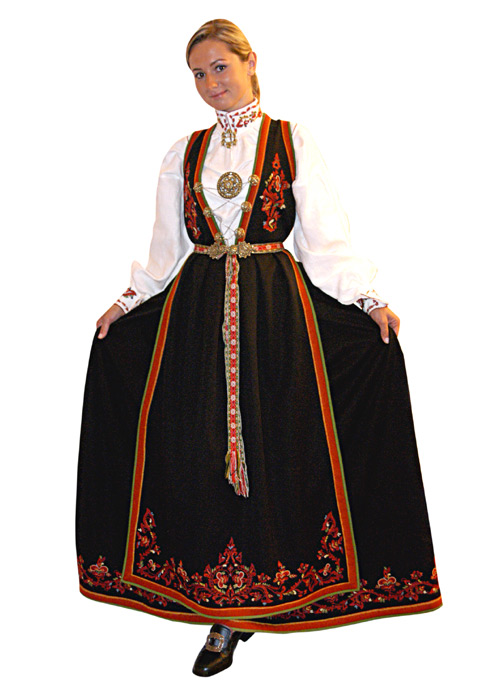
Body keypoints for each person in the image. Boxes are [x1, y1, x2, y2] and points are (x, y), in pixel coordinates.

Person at [76, 19, 442, 678]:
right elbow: (164, 250)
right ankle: (220, 609)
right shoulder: (183, 153)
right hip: (195, 318)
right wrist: (127, 304)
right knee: (199, 452)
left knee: (280, 447)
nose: (209, 83)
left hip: (276, 316)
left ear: (250, 63)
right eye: (198, 74)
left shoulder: (291, 140)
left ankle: (278, 591)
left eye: (219, 66)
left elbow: (325, 241)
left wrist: (367, 301)